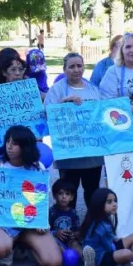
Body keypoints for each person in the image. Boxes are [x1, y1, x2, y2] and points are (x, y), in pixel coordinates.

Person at [0, 126, 62, 266]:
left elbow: (44, 199)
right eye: (8, 141)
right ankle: (11, 244)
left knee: (54, 262)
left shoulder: (37, 167)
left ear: (25, 147)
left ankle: (26, 243)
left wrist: (42, 220)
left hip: (32, 221)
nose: (9, 146)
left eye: (15, 143)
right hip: (5, 222)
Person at [44, 53, 103, 207]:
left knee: (92, 191)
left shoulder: (93, 89)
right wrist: (64, 104)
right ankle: (68, 226)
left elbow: (102, 115)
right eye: (71, 66)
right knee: (68, 194)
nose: (76, 70)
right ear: (64, 69)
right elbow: (48, 115)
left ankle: (92, 225)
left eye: (79, 66)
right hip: (69, 155)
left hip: (92, 154)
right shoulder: (57, 90)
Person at [80, 188, 133, 266]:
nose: (114, 204)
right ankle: (131, 258)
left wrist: (118, 242)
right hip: (101, 257)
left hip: (108, 247)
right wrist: (123, 250)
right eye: (109, 202)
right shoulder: (101, 226)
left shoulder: (102, 218)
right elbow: (109, 248)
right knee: (127, 253)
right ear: (99, 204)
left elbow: (112, 239)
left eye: (115, 201)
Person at [49, 179, 81, 253]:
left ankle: (85, 258)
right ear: (54, 196)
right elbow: (46, 231)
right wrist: (56, 233)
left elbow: (77, 230)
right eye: (60, 193)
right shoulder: (51, 212)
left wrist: (74, 234)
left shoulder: (73, 213)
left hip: (69, 240)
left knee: (75, 244)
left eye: (67, 194)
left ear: (72, 197)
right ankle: (64, 253)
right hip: (56, 240)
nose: (64, 197)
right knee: (55, 244)